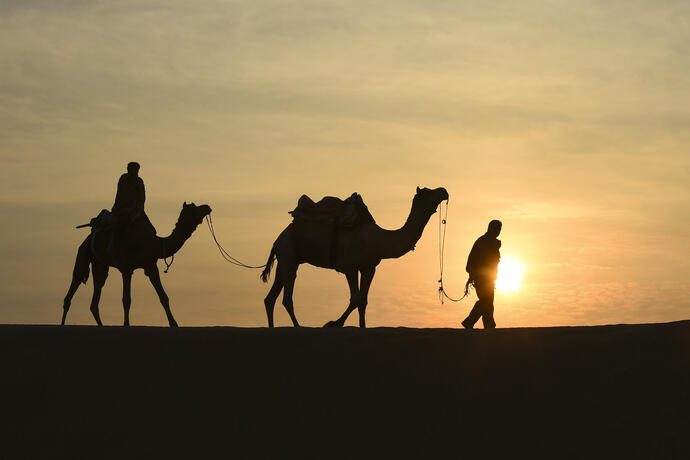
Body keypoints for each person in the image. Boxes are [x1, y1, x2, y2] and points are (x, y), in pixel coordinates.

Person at [462, 220, 502, 329]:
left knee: (488, 303)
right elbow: (471, 261)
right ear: (490, 228)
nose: (498, 231)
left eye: (499, 229)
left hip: (489, 279)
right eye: (496, 228)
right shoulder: (482, 242)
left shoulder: (492, 244)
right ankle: (470, 322)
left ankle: (488, 326)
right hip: (481, 279)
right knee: (486, 302)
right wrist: (473, 274)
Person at [111, 162, 156, 237]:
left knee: (151, 230)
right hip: (121, 210)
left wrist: (137, 208)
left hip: (137, 210)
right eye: (131, 169)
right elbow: (121, 195)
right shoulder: (124, 178)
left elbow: (142, 198)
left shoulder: (139, 181)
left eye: (135, 170)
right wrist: (127, 208)